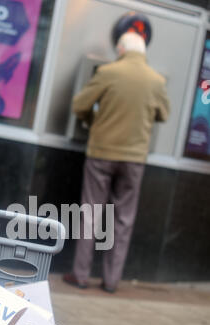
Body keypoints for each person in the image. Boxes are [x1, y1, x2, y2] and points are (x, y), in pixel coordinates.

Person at [63, 32, 170, 293]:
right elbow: (164, 114)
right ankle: (111, 281)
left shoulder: (108, 72)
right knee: (123, 219)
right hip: (134, 158)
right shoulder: (156, 80)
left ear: (121, 49)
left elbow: (79, 105)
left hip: (102, 153)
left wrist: (92, 121)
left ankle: (80, 275)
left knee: (91, 213)